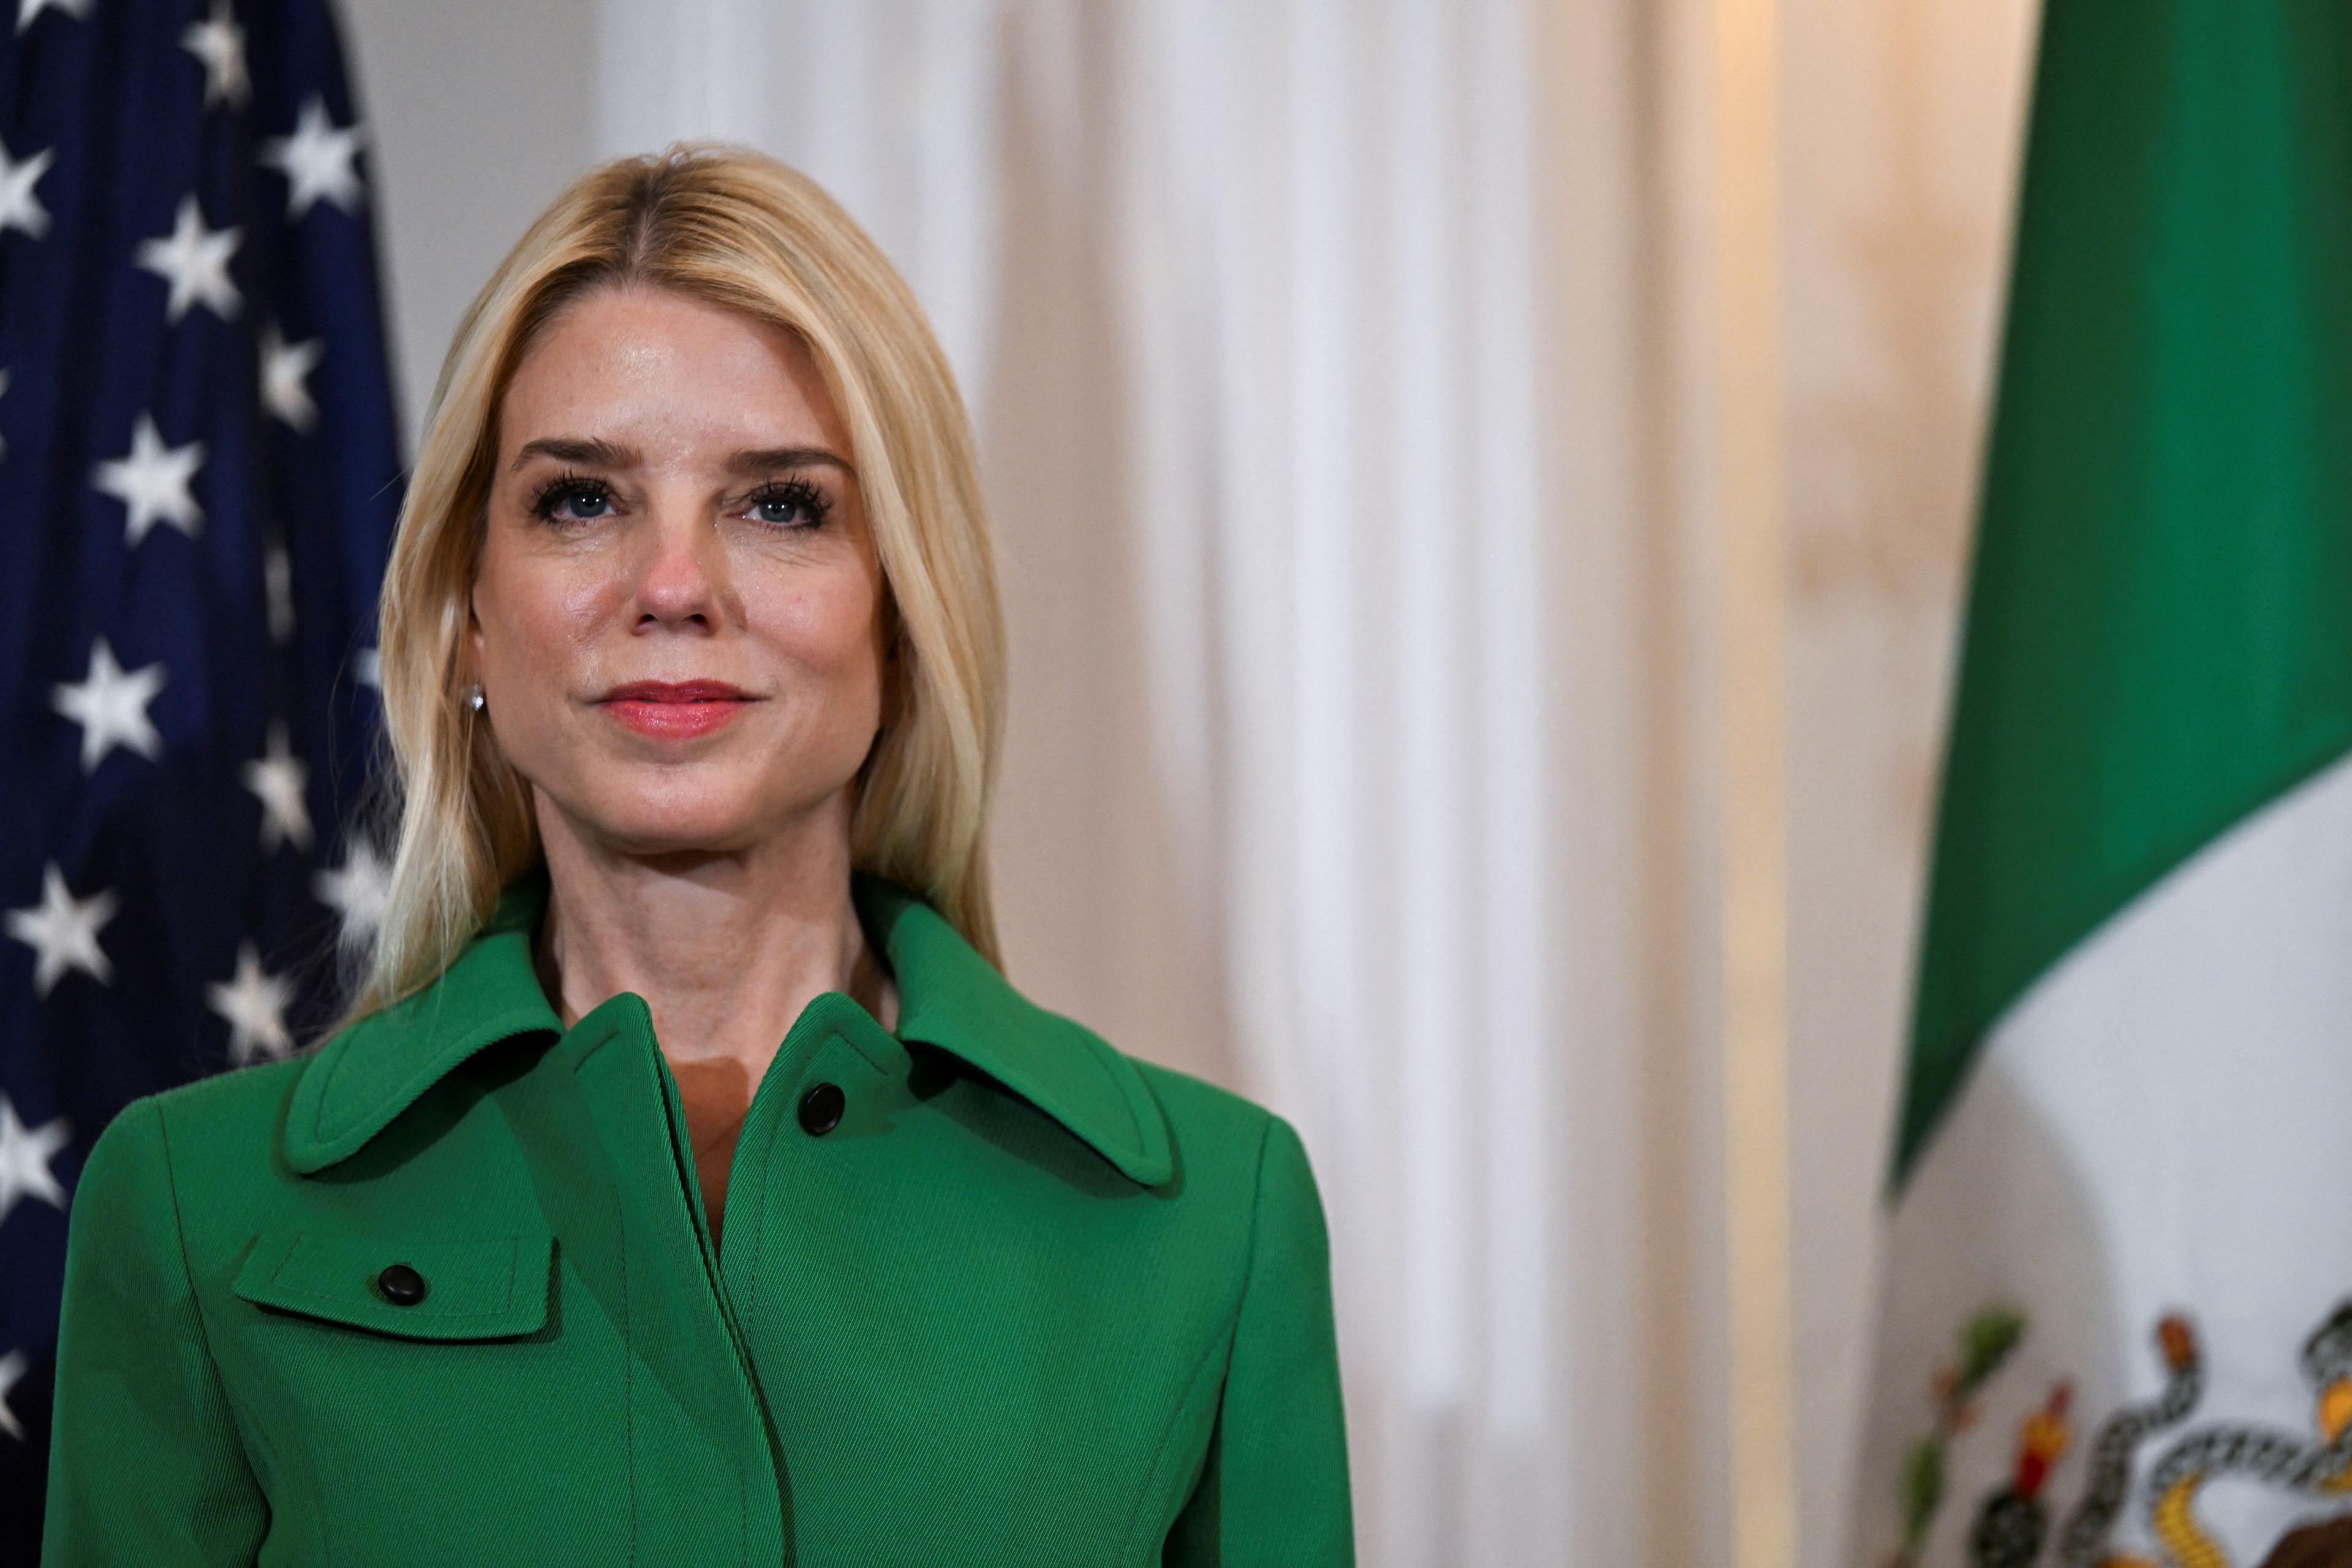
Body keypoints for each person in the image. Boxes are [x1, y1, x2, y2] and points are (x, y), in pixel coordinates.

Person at [40, 144, 1352, 1567]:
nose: (673, 586)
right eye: (581, 499)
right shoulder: (188, 1204)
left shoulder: (1213, 1218)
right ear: (468, 617)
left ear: (903, 615)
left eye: (781, 503)